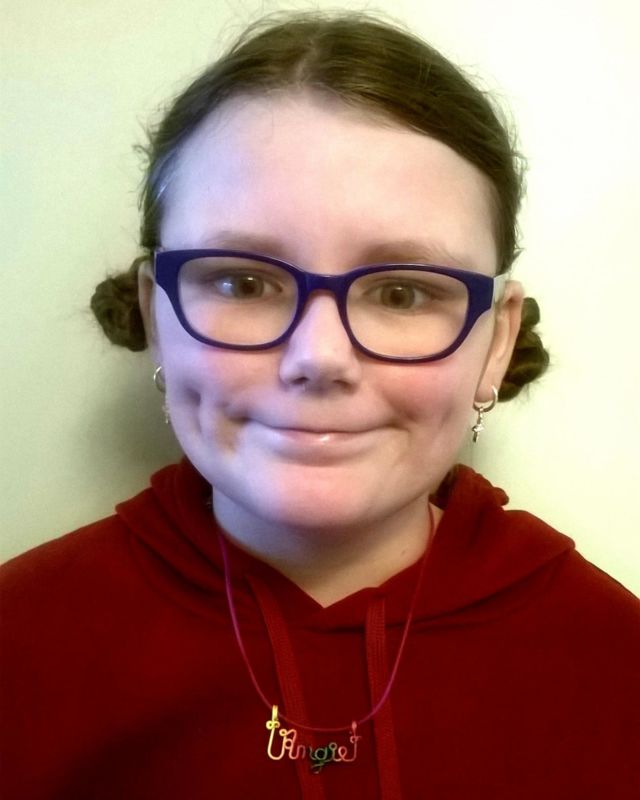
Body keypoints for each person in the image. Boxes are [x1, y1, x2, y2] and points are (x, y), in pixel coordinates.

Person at [1, 11, 638, 800]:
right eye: (243, 282)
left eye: (402, 293)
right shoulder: (19, 642)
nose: (319, 358)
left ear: (496, 342)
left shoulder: (618, 663)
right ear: (156, 315)